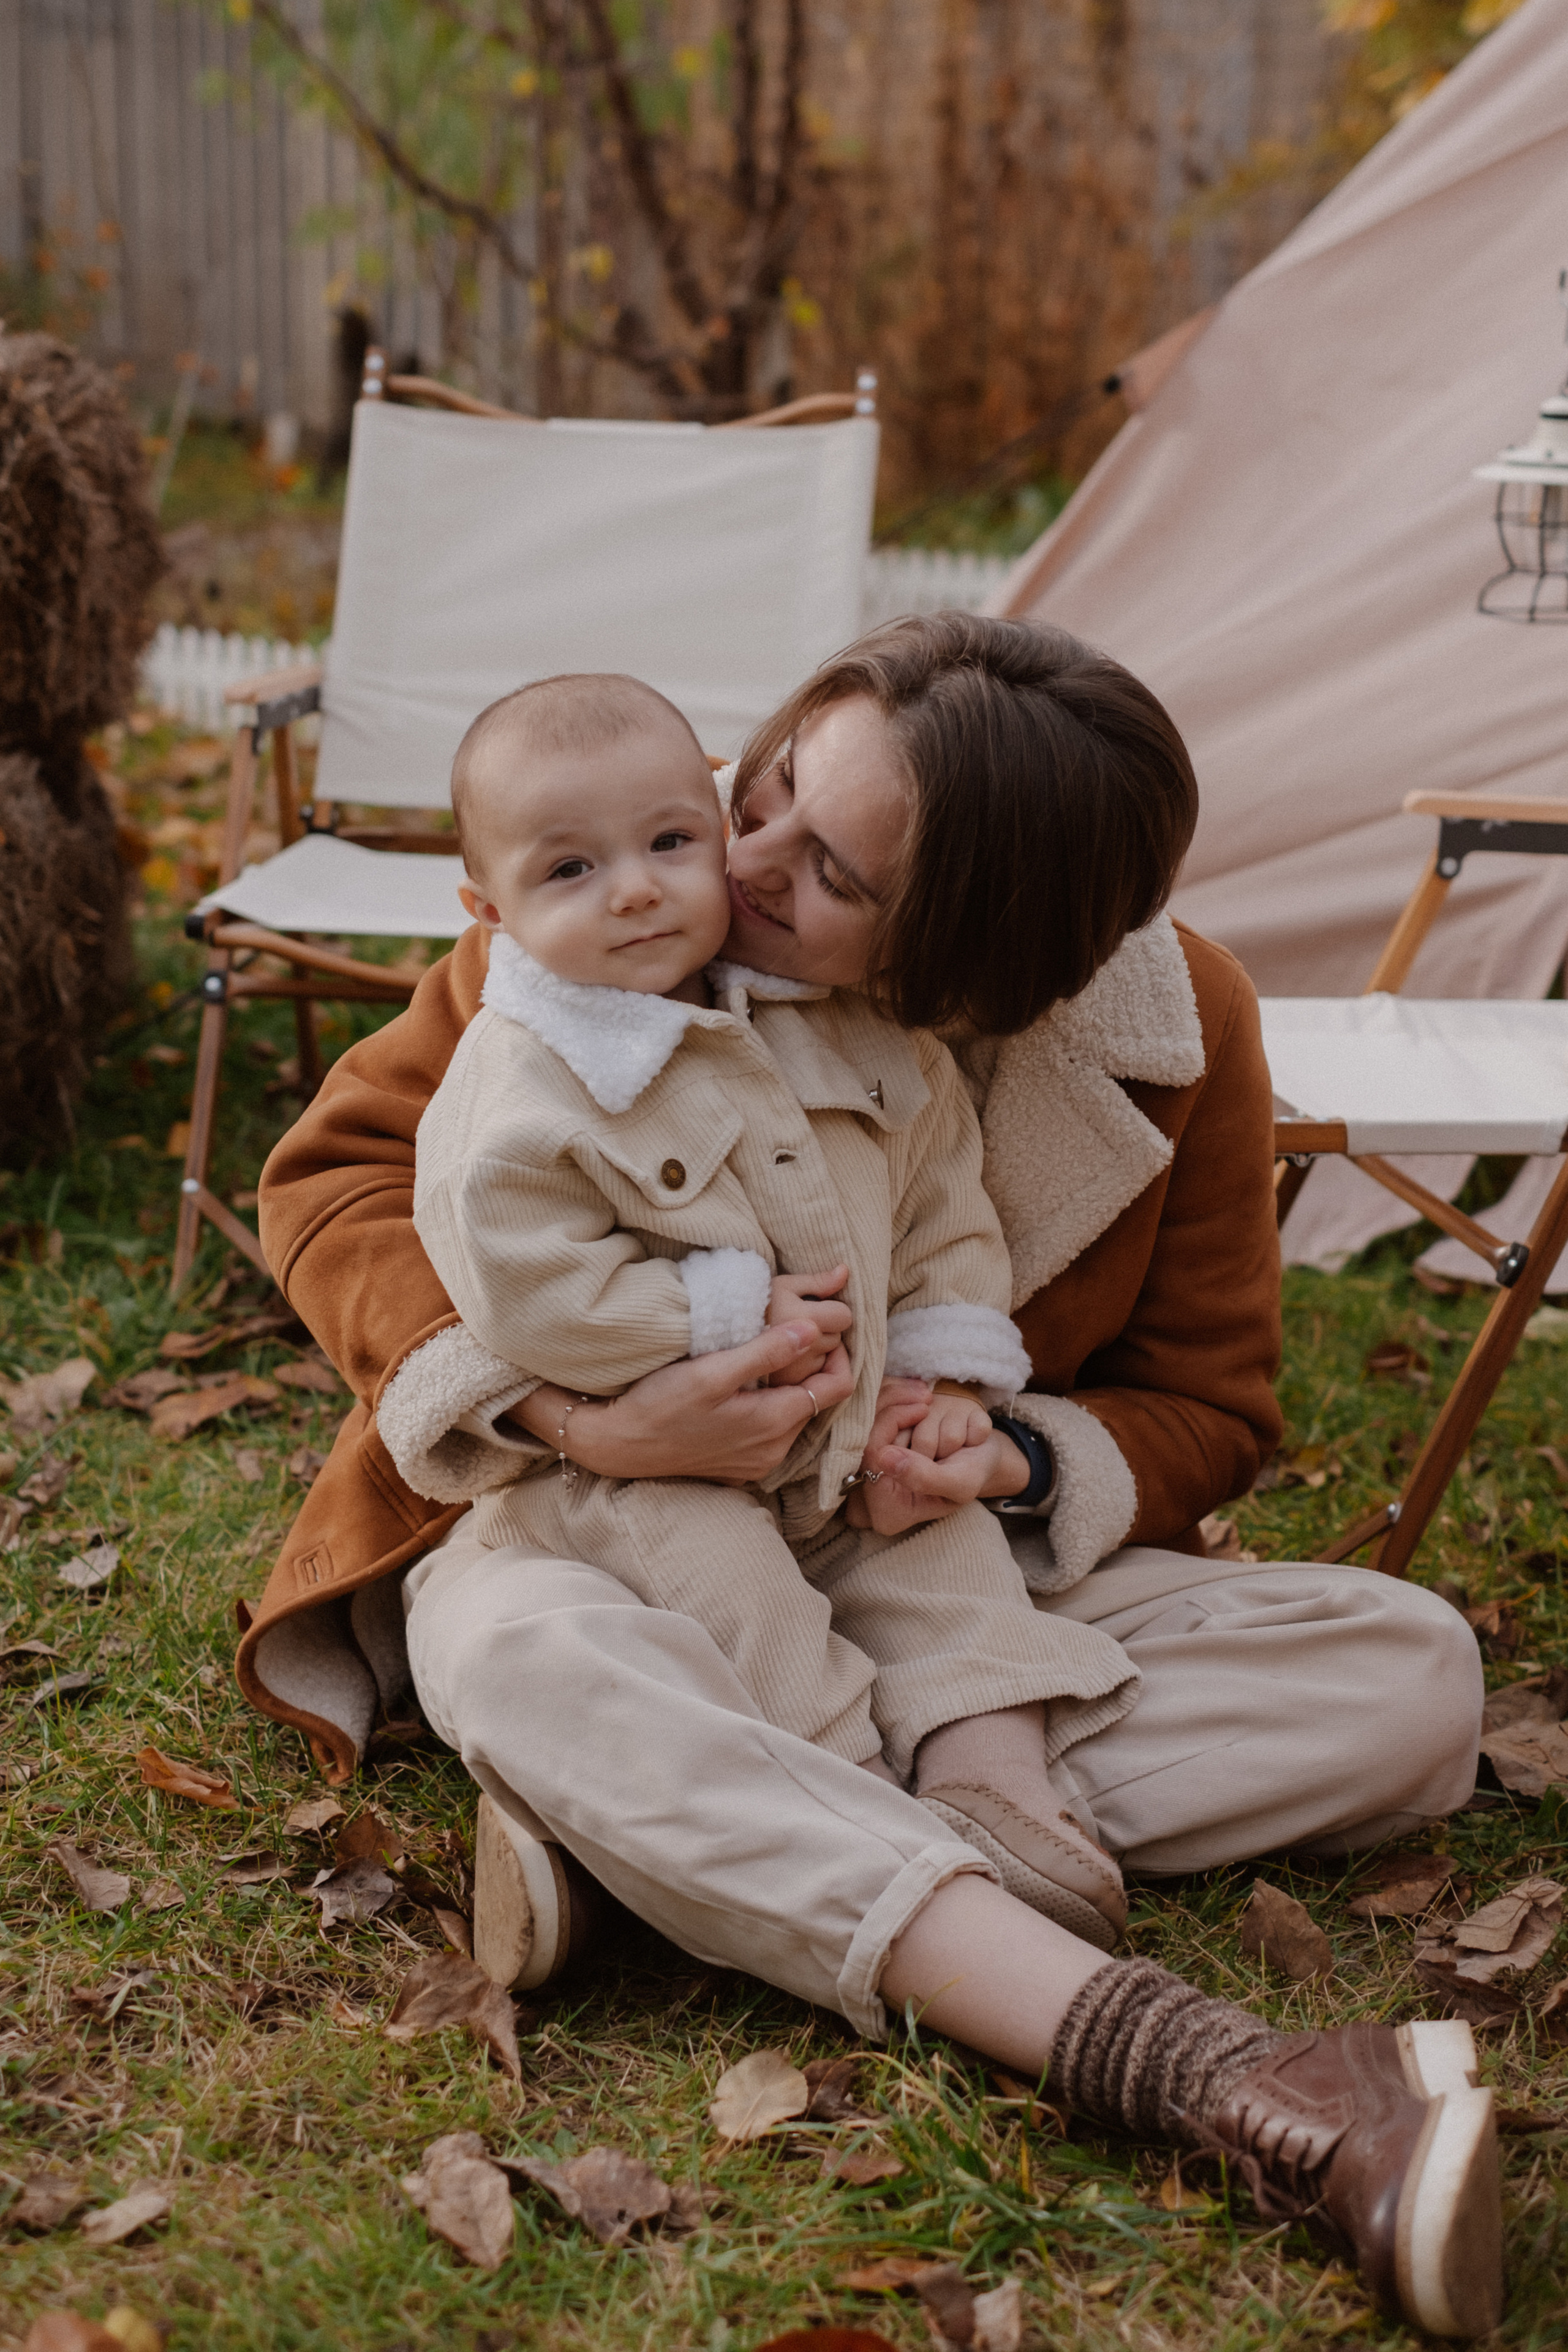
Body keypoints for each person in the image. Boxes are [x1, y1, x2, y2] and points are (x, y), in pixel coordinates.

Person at [247, 617, 1496, 2337]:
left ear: (978, 971)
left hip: (919, 1547)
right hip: (601, 1539)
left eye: (827, 867)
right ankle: (1191, 2062)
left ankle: (644, 1845)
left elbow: (1210, 1400)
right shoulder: (604, 923)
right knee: (536, 1655)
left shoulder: (1176, 1021)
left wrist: (1010, 1447)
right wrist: (578, 1419)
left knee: (1412, 1676)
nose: (737, 862)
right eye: (761, 788)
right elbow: (336, 1184)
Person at [406, 668, 1129, 1944]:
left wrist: (950, 1395)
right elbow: (513, 1266)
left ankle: (986, 1782)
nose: (676, 880)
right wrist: (688, 1332)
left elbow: (939, 1213)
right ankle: (860, 1806)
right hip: (639, 1490)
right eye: (770, 790)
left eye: (673, 840)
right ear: (491, 909)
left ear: (935, 935)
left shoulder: (848, 1030)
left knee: (956, 1564)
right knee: (727, 1607)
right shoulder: (531, 1057)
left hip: (841, 1461)